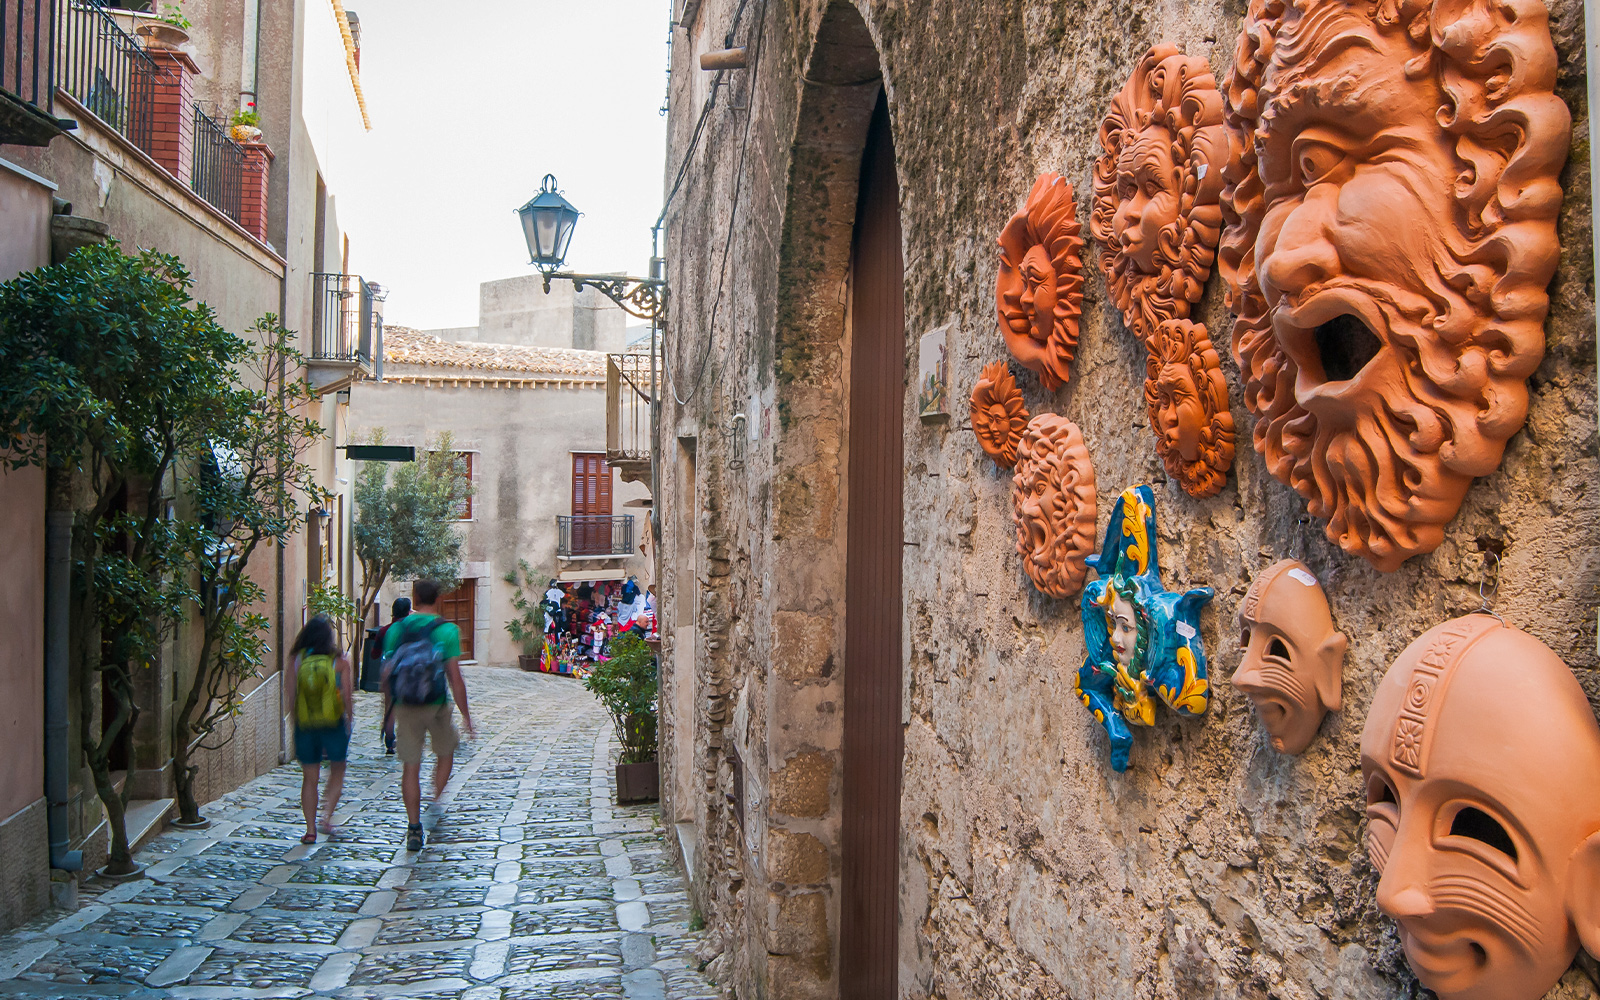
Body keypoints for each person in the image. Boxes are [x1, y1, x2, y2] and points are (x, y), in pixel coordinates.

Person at [382, 579, 474, 851]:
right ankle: (435, 800)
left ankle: (413, 827)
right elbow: (455, 679)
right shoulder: (447, 631)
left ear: (414, 598)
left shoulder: (396, 630)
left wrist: (387, 714)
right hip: (436, 705)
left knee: (411, 767)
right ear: (438, 599)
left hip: (406, 707)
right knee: (445, 754)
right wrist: (466, 716)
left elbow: (387, 675)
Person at [286, 616, 354, 844]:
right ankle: (326, 817)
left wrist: (297, 720)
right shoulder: (340, 661)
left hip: (306, 724)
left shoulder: (296, 660)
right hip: (333, 723)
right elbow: (346, 695)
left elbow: (291, 696)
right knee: (337, 770)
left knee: (309, 778)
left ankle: (310, 830)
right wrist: (349, 719)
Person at [375, 597, 411, 755]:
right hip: (408, 671)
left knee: (389, 707)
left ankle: (389, 742)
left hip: (389, 671)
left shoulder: (385, 630)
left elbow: (374, 654)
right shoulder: (411, 628)